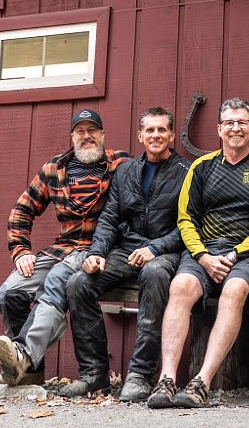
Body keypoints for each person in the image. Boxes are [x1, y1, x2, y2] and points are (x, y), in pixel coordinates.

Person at [146, 98, 249, 408]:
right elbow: (186, 217)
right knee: (180, 287)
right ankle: (166, 380)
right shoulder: (202, 166)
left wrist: (236, 253)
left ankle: (201, 382)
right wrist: (203, 256)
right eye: (229, 123)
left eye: (242, 122)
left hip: (247, 254)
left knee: (234, 290)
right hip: (203, 253)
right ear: (219, 129)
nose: (235, 128)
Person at [0, 109, 130, 388]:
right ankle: (30, 370)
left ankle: (24, 354)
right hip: (62, 248)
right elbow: (21, 211)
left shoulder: (121, 164)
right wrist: (21, 251)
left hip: (99, 249)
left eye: (93, 130)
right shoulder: (54, 169)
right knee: (10, 292)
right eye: (80, 131)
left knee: (55, 282)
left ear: (103, 135)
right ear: (72, 136)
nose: (87, 136)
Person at [62, 108, 190, 399]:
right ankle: (94, 375)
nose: (155, 135)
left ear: (171, 135)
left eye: (161, 130)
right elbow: (108, 218)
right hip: (126, 249)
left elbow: (190, 226)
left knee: (154, 273)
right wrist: (97, 253)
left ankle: (140, 375)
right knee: (78, 283)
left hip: (166, 250)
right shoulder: (127, 170)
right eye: (150, 130)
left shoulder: (187, 172)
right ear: (140, 136)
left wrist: (155, 248)